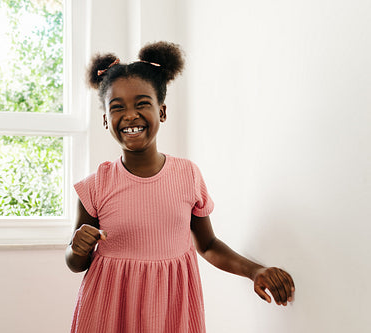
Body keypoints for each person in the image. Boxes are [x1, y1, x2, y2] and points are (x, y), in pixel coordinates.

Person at [65, 41, 295, 333]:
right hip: (109, 310)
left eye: (142, 104)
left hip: (169, 309)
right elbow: (75, 262)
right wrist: (77, 247)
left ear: (161, 112)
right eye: (117, 107)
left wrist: (255, 271)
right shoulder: (95, 185)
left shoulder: (187, 175)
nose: (130, 115)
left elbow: (209, 245)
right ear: (105, 120)